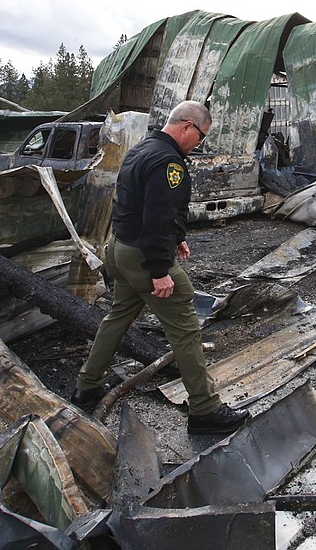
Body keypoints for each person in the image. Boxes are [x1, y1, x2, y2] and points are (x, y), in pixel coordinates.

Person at [72, 100, 250, 436]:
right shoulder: (168, 161)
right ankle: (205, 409)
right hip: (144, 258)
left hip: (121, 250)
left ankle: (87, 385)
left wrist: (175, 238)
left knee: (117, 318)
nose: (199, 144)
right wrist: (158, 269)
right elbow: (156, 216)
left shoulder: (143, 150)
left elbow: (139, 205)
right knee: (184, 330)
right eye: (200, 137)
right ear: (187, 126)